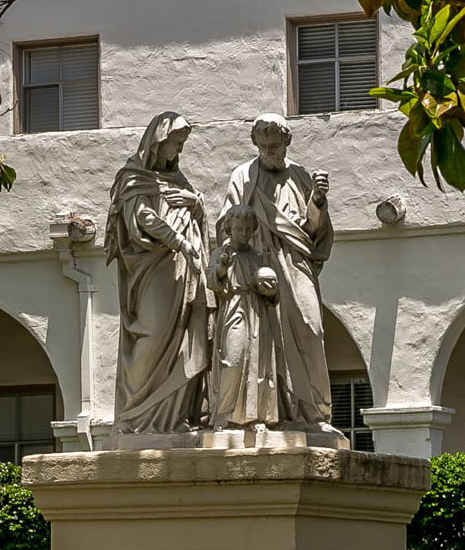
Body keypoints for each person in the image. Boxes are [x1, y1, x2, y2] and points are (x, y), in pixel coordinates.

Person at [223, 113, 336, 431]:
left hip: (296, 263)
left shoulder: (300, 175)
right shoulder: (244, 176)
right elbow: (228, 223)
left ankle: (315, 412)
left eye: (276, 146)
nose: (271, 152)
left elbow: (316, 231)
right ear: (255, 144)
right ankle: (268, 414)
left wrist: (317, 200)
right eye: (265, 146)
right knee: (265, 339)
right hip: (257, 264)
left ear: (287, 142)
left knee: (310, 328)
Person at [105, 111, 210, 434]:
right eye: (175, 143)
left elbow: (197, 214)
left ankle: (174, 417)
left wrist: (195, 203)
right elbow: (142, 218)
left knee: (183, 338)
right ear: (158, 142)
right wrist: (178, 241)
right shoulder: (133, 178)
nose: (178, 151)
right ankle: (136, 414)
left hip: (184, 271)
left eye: (182, 144)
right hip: (153, 268)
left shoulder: (179, 181)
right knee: (152, 334)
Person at [209, 204, 282, 429]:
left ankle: (255, 417)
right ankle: (224, 413)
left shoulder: (258, 257)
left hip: (256, 311)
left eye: (247, 229)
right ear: (229, 228)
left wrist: (269, 290)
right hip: (233, 308)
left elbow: (274, 295)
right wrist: (222, 267)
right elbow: (211, 281)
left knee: (257, 365)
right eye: (239, 228)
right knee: (233, 359)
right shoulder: (221, 253)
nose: (243, 234)